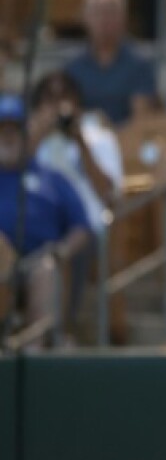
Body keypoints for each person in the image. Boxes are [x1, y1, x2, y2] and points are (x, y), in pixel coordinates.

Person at [0, 94, 92, 347]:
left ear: (26, 133)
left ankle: (35, 353)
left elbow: (82, 225)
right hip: (1, 260)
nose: (8, 136)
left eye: (14, 129)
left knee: (47, 269)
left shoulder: (51, 177)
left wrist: (62, 250)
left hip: (36, 261)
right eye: (2, 129)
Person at [28, 71, 123, 232]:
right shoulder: (28, 141)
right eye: (50, 98)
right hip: (39, 227)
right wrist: (39, 135)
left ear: (76, 101)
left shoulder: (99, 137)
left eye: (64, 96)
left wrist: (80, 141)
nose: (58, 105)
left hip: (87, 228)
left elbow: (108, 196)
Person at [64, 0, 158, 127]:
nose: (104, 20)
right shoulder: (72, 68)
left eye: (110, 12)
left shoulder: (140, 65)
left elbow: (141, 121)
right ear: (85, 18)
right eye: (97, 12)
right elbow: (69, 114)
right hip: (84, 142)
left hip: (127, 144)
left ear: (124, 17)